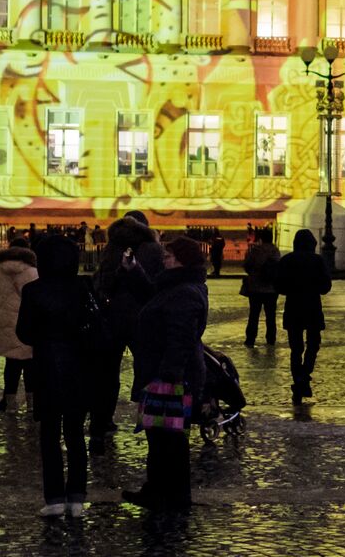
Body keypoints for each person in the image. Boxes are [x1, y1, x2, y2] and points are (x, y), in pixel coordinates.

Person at [123, 236, 209, 511]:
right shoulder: (175, 285)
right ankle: (160, 491)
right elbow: (152, 294)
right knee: (160, 436)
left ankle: (170, 496)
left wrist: (168, 376)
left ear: (183, 259)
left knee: (168, 439)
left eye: (169, 256)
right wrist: (134, 270)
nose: (164, 259)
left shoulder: (183, 291)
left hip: (170, 377)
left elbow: (180, 337)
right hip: (164, 372)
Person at [16, 234, 91, 519]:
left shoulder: (34, 290)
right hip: (79, 367)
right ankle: (77, 498)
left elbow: (23, 332)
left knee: (49, 434)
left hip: (46, 366)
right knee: (75, 434)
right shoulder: (83, 287)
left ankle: (55, 498)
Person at [90, 211, 165, 442]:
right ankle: (153, 421)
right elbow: (156, 287)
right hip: (143, 319)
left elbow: (102, 282)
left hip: (112, 318)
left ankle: (100, 421)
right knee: (150, 370)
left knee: (106, 373)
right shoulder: (153, 249)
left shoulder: (112, 247)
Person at [274, 229, 332, 404]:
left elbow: (279, 287)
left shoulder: (287, 260)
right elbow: (325, 287)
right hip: (313, 308)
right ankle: (305, 375)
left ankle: (298, 379)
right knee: (313, 344)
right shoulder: (318, 261)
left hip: (293, 308)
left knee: (296, 348)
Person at [0, 237, 39, 413]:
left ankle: (10, 403)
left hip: (5, 319)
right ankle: (32, 403)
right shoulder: (32, 271)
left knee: (11, 364)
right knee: (30, 366)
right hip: (27, 320)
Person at [241, 228, 281, 347]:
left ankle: (250, 339)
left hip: (255, 288)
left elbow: (247, 265)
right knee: (271, 316)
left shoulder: (255, 250)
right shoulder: (275, 251)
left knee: (254, 315)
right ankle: (271, 338)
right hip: (271, 288)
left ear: (261, 238)